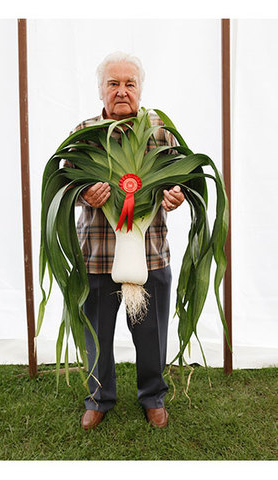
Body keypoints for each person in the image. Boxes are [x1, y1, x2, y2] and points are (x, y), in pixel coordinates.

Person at [65, 52, 185, 430]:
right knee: (96, 335)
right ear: (101, 90)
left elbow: (181, 177)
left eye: (129, 84)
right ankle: (99, 398)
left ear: (140, 89)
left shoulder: (160, 130)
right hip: (98, 256)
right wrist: (85, 194)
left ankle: (153, 397)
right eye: (113, 84)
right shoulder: (84, 133)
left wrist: (177, 193)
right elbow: (66, 183)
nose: (121, 91)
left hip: (151, 256)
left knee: (152, 335)